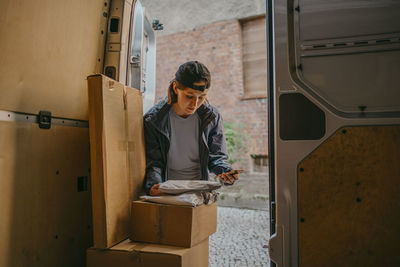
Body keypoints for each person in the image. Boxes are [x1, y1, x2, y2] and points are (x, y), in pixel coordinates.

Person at [143, 61, 239, 196]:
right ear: (176, 88)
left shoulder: (211, 117)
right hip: (167, 191)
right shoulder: (154, 120)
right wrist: (153, 185)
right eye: (189, 96)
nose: (195, 104)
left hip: (200, 191)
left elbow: (216, 157)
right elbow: (154, 162)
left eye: (202, 97)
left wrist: (225, 171)